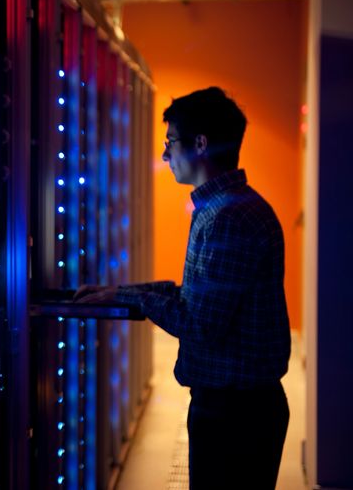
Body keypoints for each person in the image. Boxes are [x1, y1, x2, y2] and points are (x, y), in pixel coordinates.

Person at [75, 87, 291, 490]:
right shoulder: (224, 207)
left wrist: (127, 298)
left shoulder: (229, 217)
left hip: (235, 414)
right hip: (237, 407)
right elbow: (196, 298)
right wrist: (118, 292)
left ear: (200, 144)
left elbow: (202, 324)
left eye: (170, 142)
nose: (164, 155)